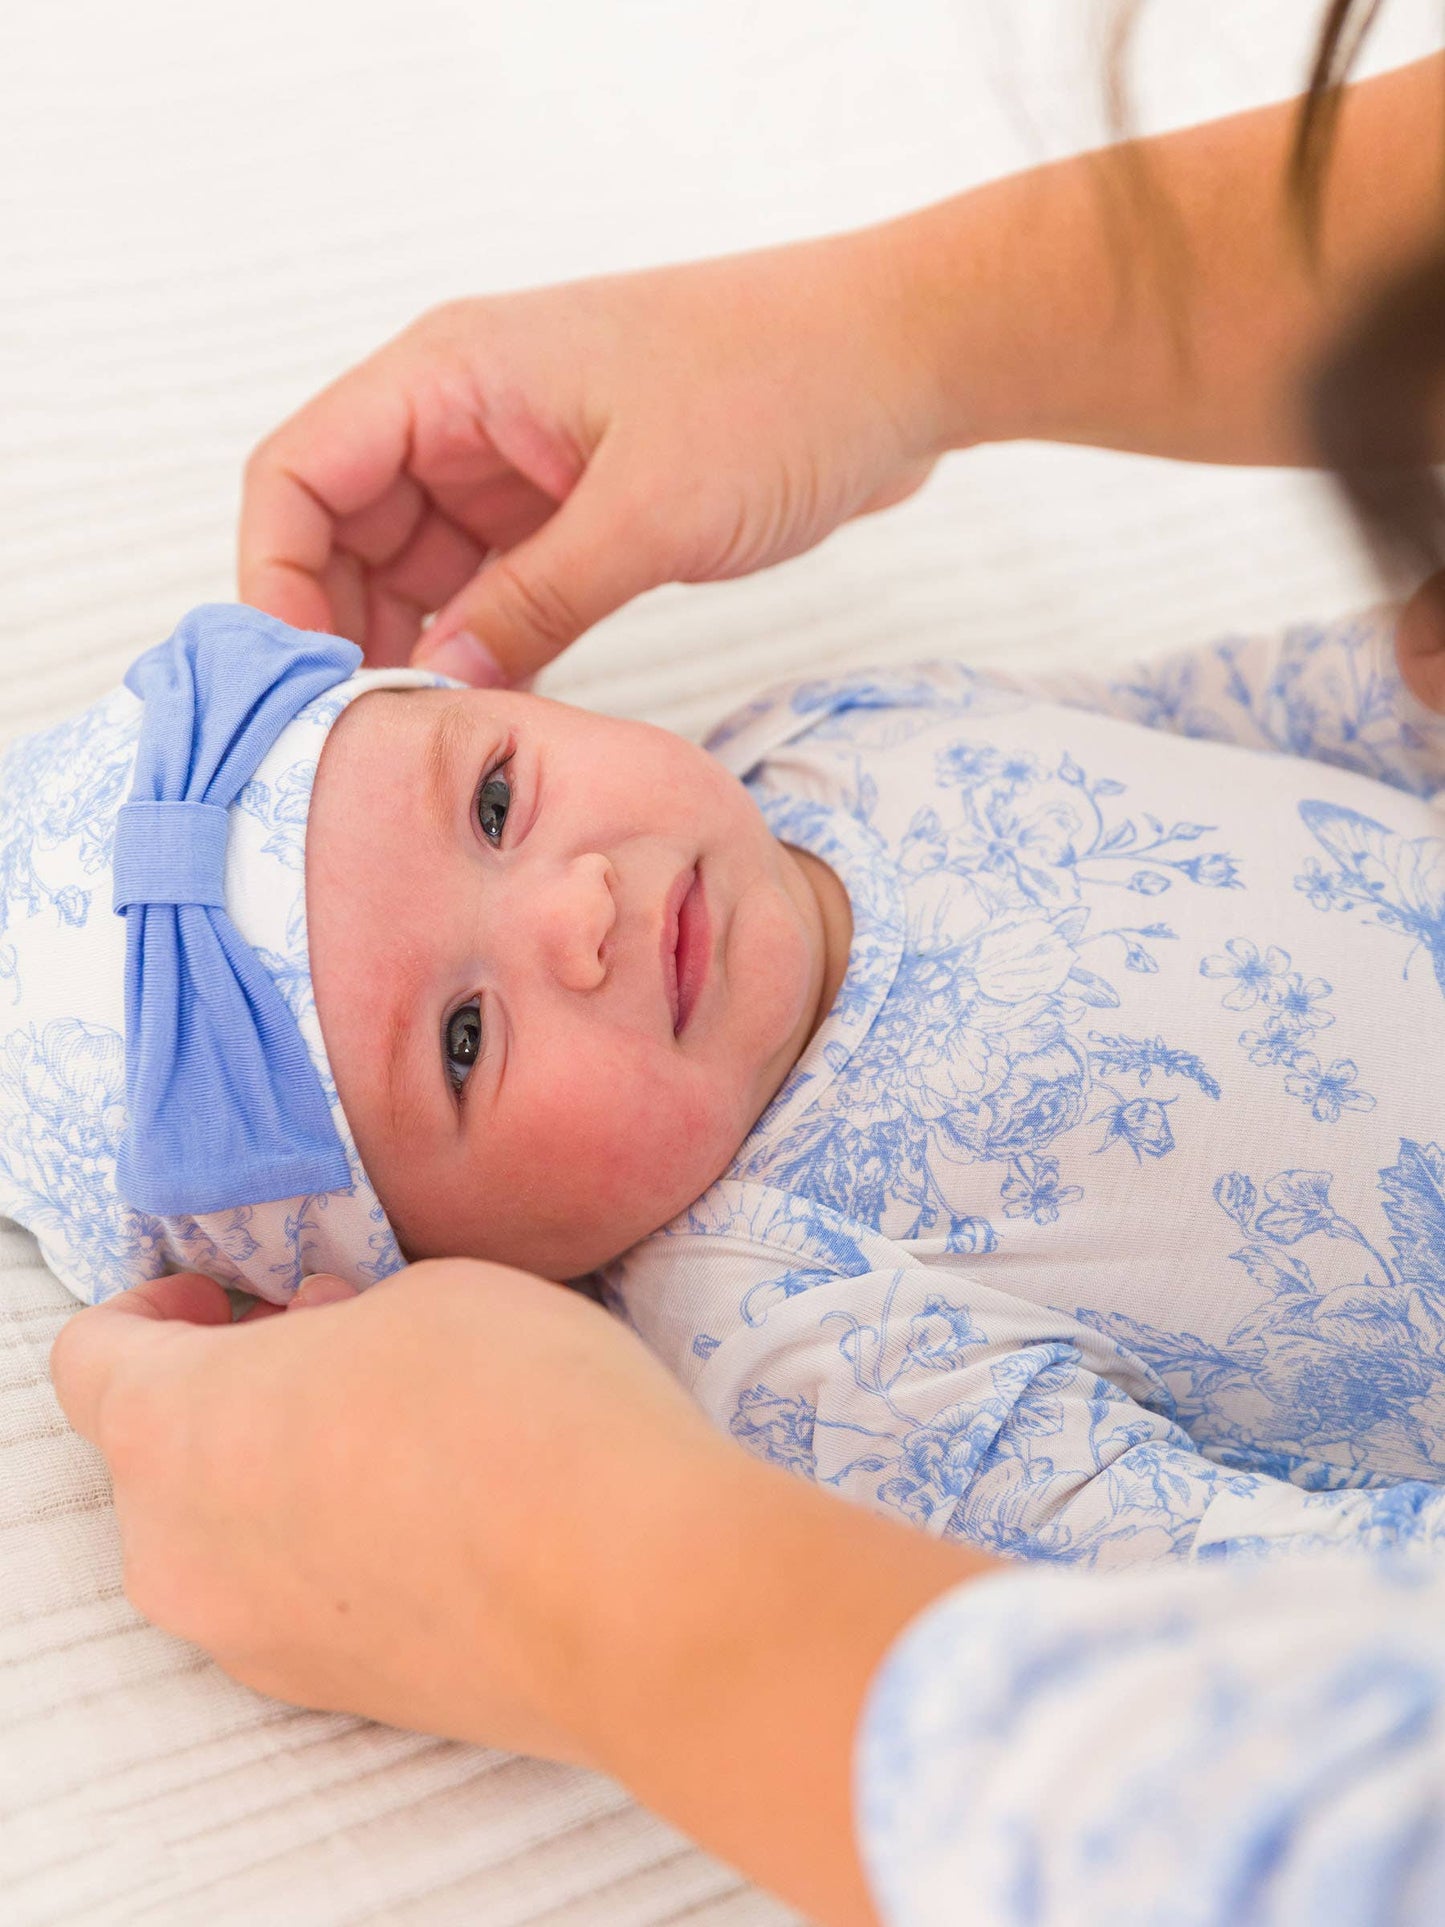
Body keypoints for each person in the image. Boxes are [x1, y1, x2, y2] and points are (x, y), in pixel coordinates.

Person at [47, 25, 1445, 1927]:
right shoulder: (788, 1332)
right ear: (446, 1283)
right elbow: (1206, 1593)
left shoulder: (832, 729)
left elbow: (1220, 723)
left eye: (496, 793)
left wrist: (1399, 680)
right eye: (465, 1040)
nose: (575, 916)